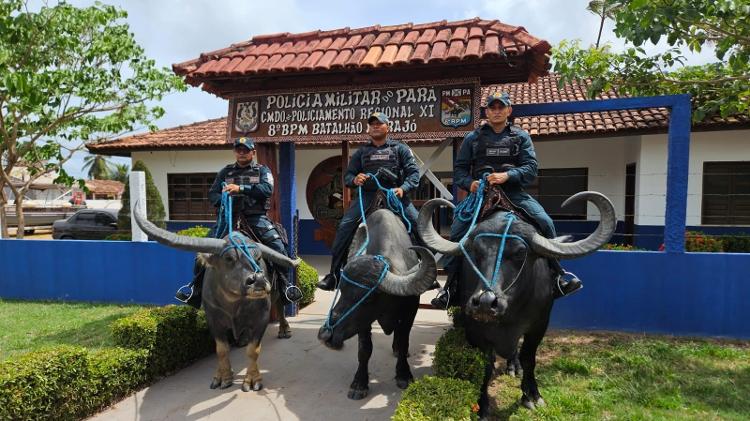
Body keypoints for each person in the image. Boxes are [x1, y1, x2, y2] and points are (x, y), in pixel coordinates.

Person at [431, 92, 582, 309]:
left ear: (509, 110)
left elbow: (531, 169)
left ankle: (557, 277)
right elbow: (460, 171)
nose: (496, 111)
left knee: (545, 222)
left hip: (515, 194)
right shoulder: (473, 138)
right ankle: (451, 287)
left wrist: (507, 176)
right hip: (482, 195)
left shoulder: (521, 136)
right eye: (492, 107)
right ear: (486, 112)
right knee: (456, 231)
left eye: (501, 107)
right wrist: (471, 184)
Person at [175, 136, 302, 308]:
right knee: (202, 253)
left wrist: (240, 188)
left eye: (246, 150)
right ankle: (195, 291)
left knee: (279, 249)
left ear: (253, 152)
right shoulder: (225, 172)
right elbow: (213, 194)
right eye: (239, 149)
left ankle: (287, 287)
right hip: (229, 218)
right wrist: (224, 199)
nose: (242, 153)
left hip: (255, 218)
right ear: (235, 151)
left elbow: (267, 189)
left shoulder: (262, 171)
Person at [317, 112, 421, 290]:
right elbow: (348, 176)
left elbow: (414, 175)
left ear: (388, 127)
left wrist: (403, 189)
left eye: (379, 123)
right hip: (367, 196)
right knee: (344, 226)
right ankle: (333, 275)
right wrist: (355, 179)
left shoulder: (401, 149)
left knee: (420, 225)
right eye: (372, 124)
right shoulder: (361, 152)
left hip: (394, 194)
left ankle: (425, 271)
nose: (375, 126)